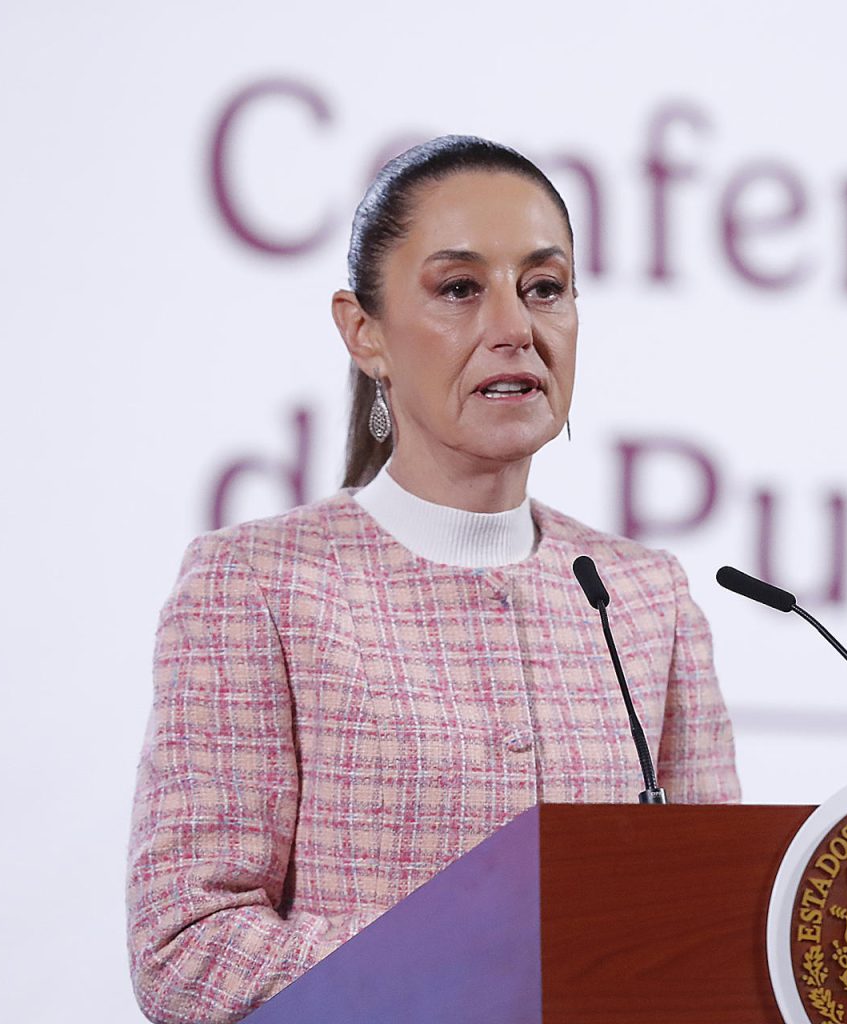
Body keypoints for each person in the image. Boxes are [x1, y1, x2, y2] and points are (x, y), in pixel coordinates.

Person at [126, 136, 741, 1024]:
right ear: (362, 331)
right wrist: (470, 970)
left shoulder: (645, 598)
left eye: (544, 289)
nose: (514, 329)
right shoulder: (255, 586)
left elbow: (714, 920)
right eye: (460, 289)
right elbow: (187, 946)